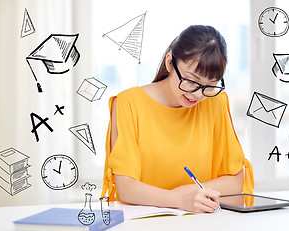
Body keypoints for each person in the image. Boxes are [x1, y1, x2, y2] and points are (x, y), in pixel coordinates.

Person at [101, 25, 254, 213]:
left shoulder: (216, 101)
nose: (198, 94)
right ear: (169, 62)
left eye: (210, 85)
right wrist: (179, 199)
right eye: (191, 80)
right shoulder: (129, 103)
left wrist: (188, 193)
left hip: (205, 223)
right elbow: (126, 188)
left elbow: (235, 182)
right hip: (145, 224)